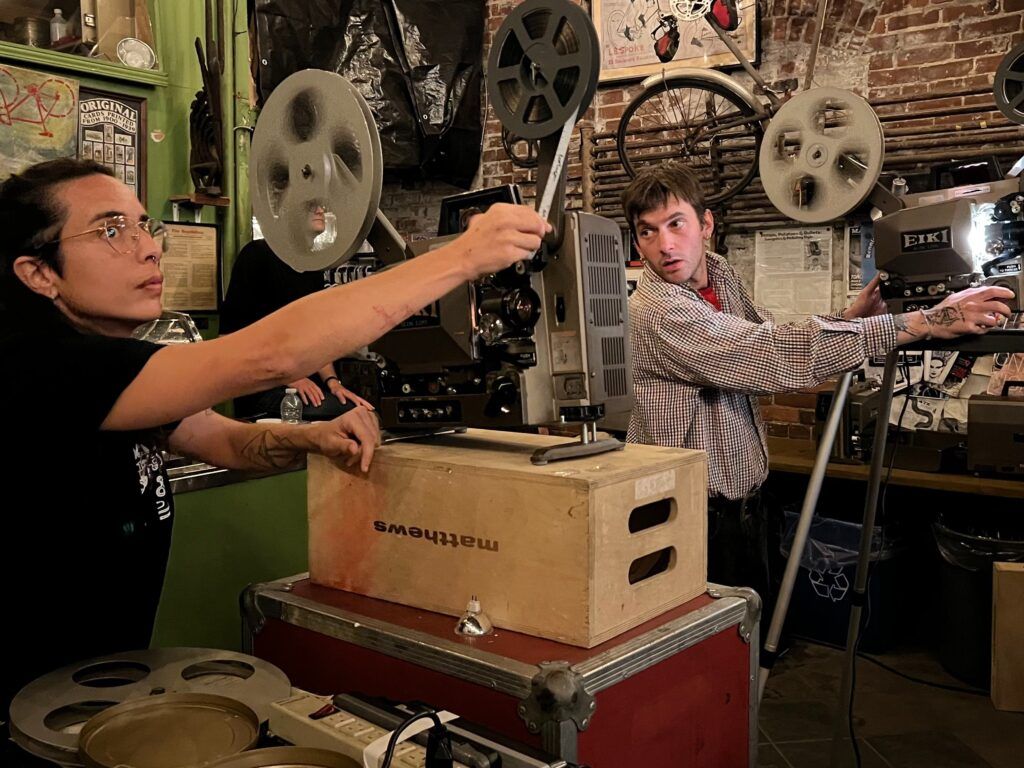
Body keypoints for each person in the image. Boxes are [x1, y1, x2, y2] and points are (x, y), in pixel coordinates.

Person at [0, 158, 548, 718]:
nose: (148, 249)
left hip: (86, 694)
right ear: (39, 273)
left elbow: (221, 440)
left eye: (145, 226)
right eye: (112, 230)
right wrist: (461, 258)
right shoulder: (36, 364)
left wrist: (311, 438)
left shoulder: (111, 368)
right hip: (24, 710)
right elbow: (272, 355)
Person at [622, 161, 1014, 619]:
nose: (665, 245)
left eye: (676, 224)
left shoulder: (718, 272)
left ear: (705, 225)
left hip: (745, 506)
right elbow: (765, 354)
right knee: (703, 644)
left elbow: (766, 330)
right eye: (648, 232)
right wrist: (925, 322)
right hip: (686, 517)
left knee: (749, 628)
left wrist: (850, 318)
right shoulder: (657, 310)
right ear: (637, 243)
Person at [220, 215, 374, 419]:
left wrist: (333, 382)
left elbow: (316, 338)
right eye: (311, 205)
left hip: (308, 389)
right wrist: (290, 378)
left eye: (321, 204)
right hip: (266, 389)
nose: (320, 210)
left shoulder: (312, 267)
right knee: (349, 415)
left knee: (363, 412)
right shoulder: (257, 255)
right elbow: (231, 340)